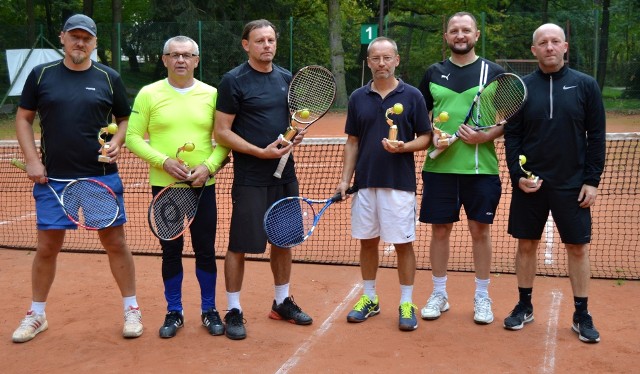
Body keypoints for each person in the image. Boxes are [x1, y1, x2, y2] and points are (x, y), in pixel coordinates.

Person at [12, 14, 143, 342]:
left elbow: (124, 119)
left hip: (100, 178)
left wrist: (117, 141)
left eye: (87, 38)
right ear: (63, 38)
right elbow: (24, 118)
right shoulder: (40, 75)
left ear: (95, 42)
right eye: (74, 36)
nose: (80, 43)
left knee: (115, 243)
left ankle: (132, 309)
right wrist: (31, 160)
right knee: (46, 247)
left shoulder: (109, 77)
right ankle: (37, 314)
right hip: (53, 181)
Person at [502, 23, 605, 344]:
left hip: (572, 184)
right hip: (531, 183)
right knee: (526, 245)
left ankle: (581, 312)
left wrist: (591, 180)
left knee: (577, 247)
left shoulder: (586, 86)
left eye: (554, 41)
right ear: (534, 50)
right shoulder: (520, 87)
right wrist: (518, 177)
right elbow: (512, 136)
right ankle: (524, 304)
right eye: (542, 42)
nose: (549, 46)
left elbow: (597, 136)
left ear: (565, 47)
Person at [213, 19, 312, 340]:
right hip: (250, 178)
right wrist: (259, 152)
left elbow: (291, 125)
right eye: (259, 40)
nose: (266, 45)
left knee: (283, 240)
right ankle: (233, 309)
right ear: (246, 45)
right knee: (239, 245)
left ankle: (281, 301)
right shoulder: (233, 81)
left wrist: (294, 136)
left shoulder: (287, 78)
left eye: (271, 40)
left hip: (285, 175)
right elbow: (222, 131)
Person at [126, 36, 230, 339]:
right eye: (174, 55)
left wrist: (208, 167)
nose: (181, 60)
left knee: (206, 251)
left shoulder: (212, 94)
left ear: (197, 60)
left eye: (187, 55)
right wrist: (162, 161)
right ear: (164, 60)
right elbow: (132, 137)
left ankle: (209, 310)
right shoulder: (148, 94)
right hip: (164, 189)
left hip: (203, 187)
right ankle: (174, 311)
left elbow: (224, 139)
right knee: (170, 251)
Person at [337, 37, 431, 331]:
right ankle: (369, 298)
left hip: (398, 184)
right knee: (367, 242)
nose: (381, 64)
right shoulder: (357, 98)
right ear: (368, 63)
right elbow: (352, 141)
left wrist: (404, 147)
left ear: (396, 60)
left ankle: (406, 302)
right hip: (364, 184)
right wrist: (344, 179)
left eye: (387, 58)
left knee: (403, 244)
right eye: (375, 59)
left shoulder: (413, 95)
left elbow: (426, 137)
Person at [417, 12, 505, 325]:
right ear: (446, 36)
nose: (460, 35)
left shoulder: (493, 72)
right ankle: (439, 294)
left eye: (466, 30)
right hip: (439, 169)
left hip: (481, 170)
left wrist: (486, 134)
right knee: (440, 231)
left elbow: (509, 120)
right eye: (454, 30)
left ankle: (482, 297)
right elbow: (421, 116)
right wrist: (433, 134)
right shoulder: (433, 72)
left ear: (476, 35)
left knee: (480, 232)